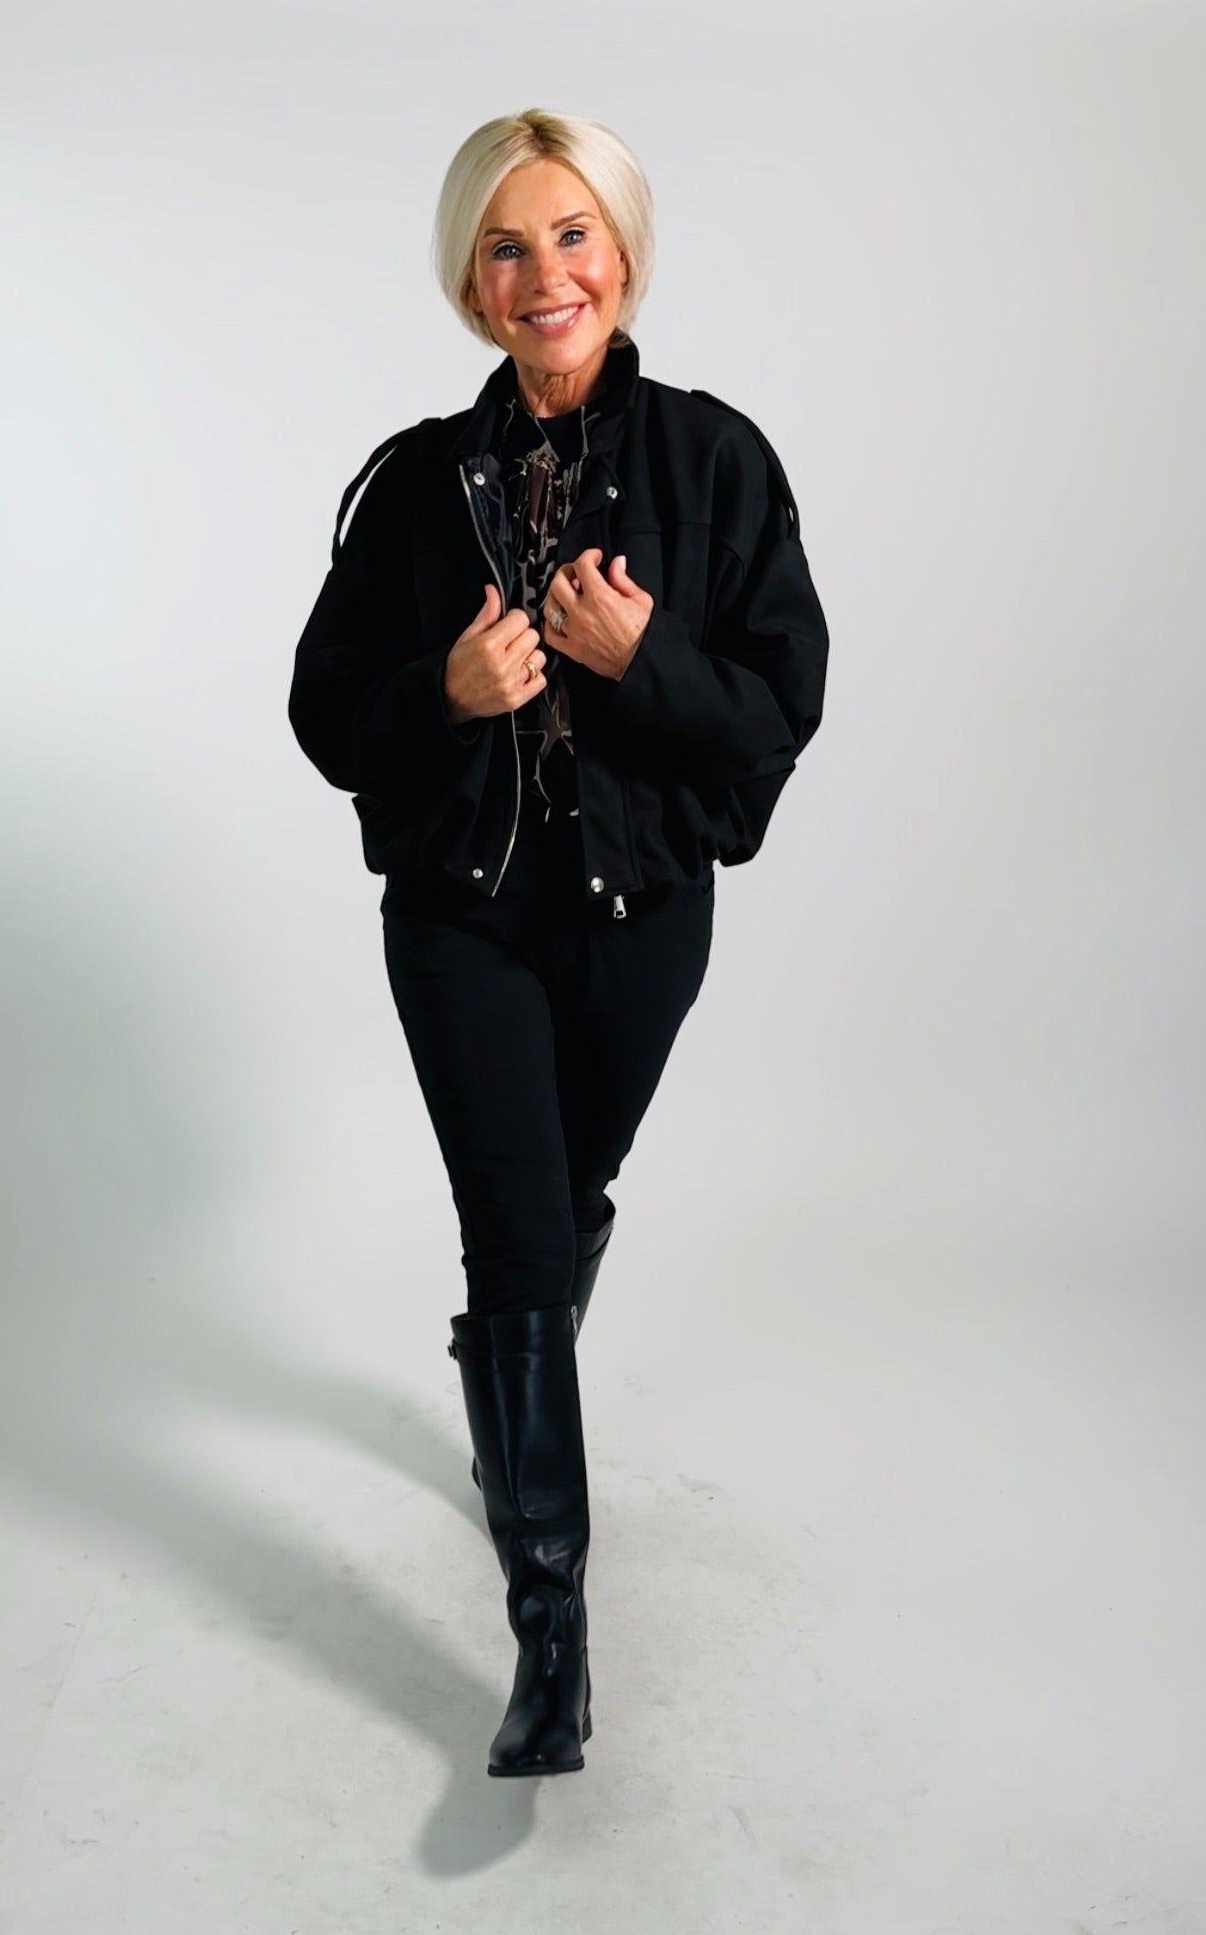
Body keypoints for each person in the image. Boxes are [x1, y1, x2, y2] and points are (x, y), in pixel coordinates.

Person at [288, 107, 830, 1779]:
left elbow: (778, 713)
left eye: (572, 235)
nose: (544, 276)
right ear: (472, 280)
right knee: (518, 1249)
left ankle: (502, 1395)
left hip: (639, 921)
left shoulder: (714, 461)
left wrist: (641, 661)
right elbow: (322, 714)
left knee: (569, 1200)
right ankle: (549, 1637)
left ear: (621, 252)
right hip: (460, 921)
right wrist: (444, 696)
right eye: (507, 246)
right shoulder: (409, 483)